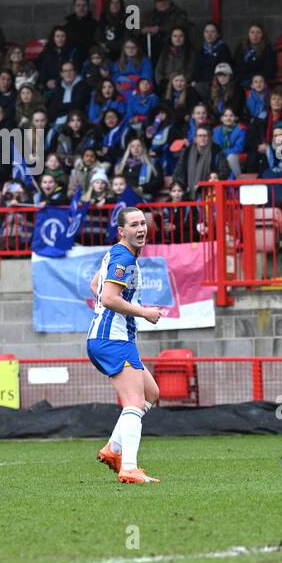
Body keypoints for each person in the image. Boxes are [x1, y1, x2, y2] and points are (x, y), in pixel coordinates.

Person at [88, 207, 163, 484]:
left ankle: (113, 449)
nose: (141, 229)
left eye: (143, 223)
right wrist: (144, 312)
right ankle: (128, 467)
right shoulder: (123, 256)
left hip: (112, 337)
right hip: (112, 339)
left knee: (151, 394)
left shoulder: (118, 253)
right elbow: (107, 297)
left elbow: (94, 284)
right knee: (133, 401)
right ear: (122, 231)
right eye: (134, 225)